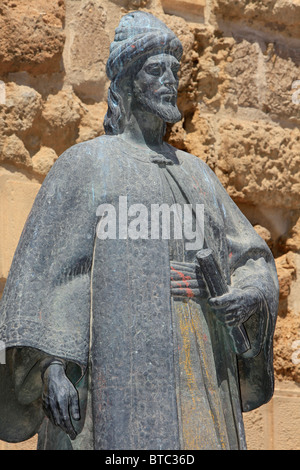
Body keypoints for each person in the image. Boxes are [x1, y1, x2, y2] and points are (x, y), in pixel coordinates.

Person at [0, 11, 278, 450]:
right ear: (128, 81)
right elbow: (50, 280)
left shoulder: (198, 175)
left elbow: (252, 260)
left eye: (174, 69)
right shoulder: (85, 165)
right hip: (112, 376)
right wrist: (52, 368)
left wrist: (247, 295)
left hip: (198, 375)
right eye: (155, 69)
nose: (169, 80)